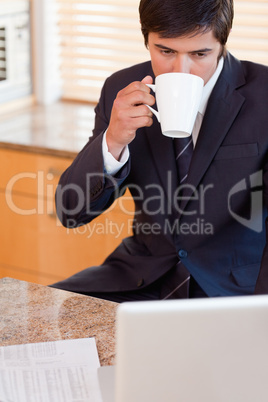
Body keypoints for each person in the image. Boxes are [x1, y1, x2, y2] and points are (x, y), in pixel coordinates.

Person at [51, 0, 268, 301]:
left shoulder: (263, 93)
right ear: (147, 40)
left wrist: (258, 312)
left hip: (233, 288)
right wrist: (113, 139)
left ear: (221, 44)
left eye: (200, 53)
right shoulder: (121, 89)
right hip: (141, 278)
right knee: (40, 319)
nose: (183, 70)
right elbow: (71, 212)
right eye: (165, 51)